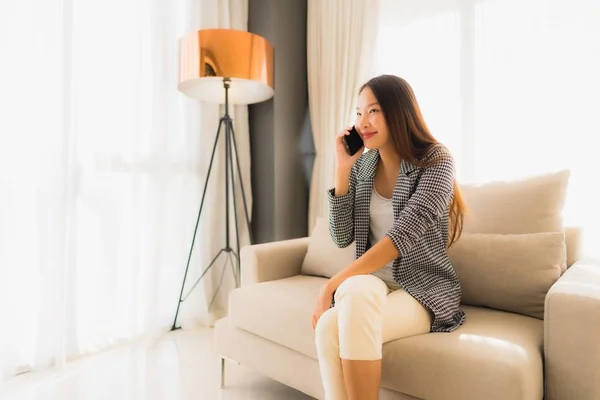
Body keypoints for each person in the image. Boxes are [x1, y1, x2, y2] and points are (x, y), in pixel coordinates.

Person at [311, 74, 467, 400]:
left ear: (398, 112)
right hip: (371, 284)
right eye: (358, 113)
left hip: (421, 290)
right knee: (344, 303)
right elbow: (342, 237)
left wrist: (330, 285)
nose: (363, 122)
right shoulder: (363, 167)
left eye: (374, 111)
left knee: (333, 321)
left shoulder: (436, 162)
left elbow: (402, 236)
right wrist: (342, 170)